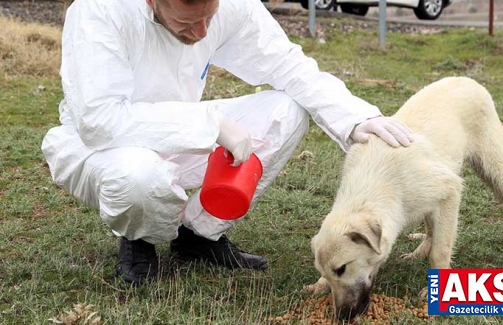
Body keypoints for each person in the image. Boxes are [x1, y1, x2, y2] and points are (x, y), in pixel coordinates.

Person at [41, 0, 414, 286]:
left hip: (181, 135)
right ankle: (138, 238)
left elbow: (287, 63)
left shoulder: (227, 6)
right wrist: (211, 124)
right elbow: (99, 120)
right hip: (101, 149)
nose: (202, 32)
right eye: (187, 22)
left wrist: (355, 117)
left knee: (286, 109)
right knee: (140, 178)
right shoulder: (98, 12)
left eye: (210, 16)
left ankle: (198, 235)